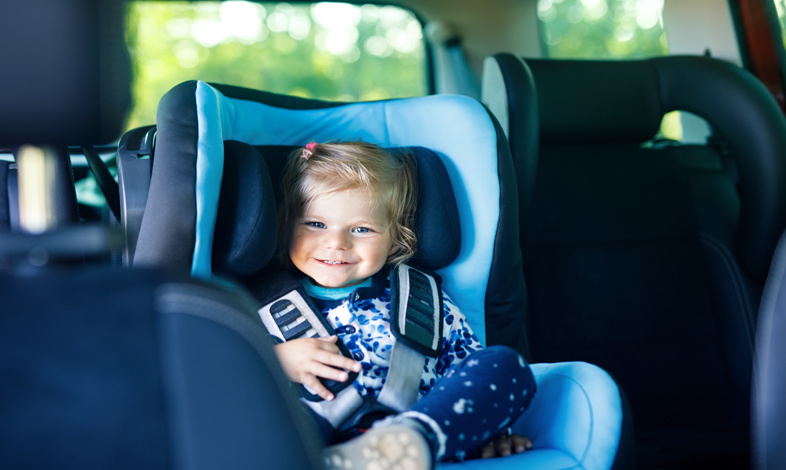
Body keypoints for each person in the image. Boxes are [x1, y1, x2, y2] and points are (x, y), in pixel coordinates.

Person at [271, 140, 536, 470]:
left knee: (504, 364)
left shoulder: (423, 299)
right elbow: (223, 381)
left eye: (361, 229)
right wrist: (275, 360)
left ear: (395, 238)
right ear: (286, 226)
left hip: (417, 426)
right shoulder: (261, 309)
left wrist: (493, 431)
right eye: (316, 224)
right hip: (312, 432)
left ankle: (403, 445)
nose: (336, 242)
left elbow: (466, 370)